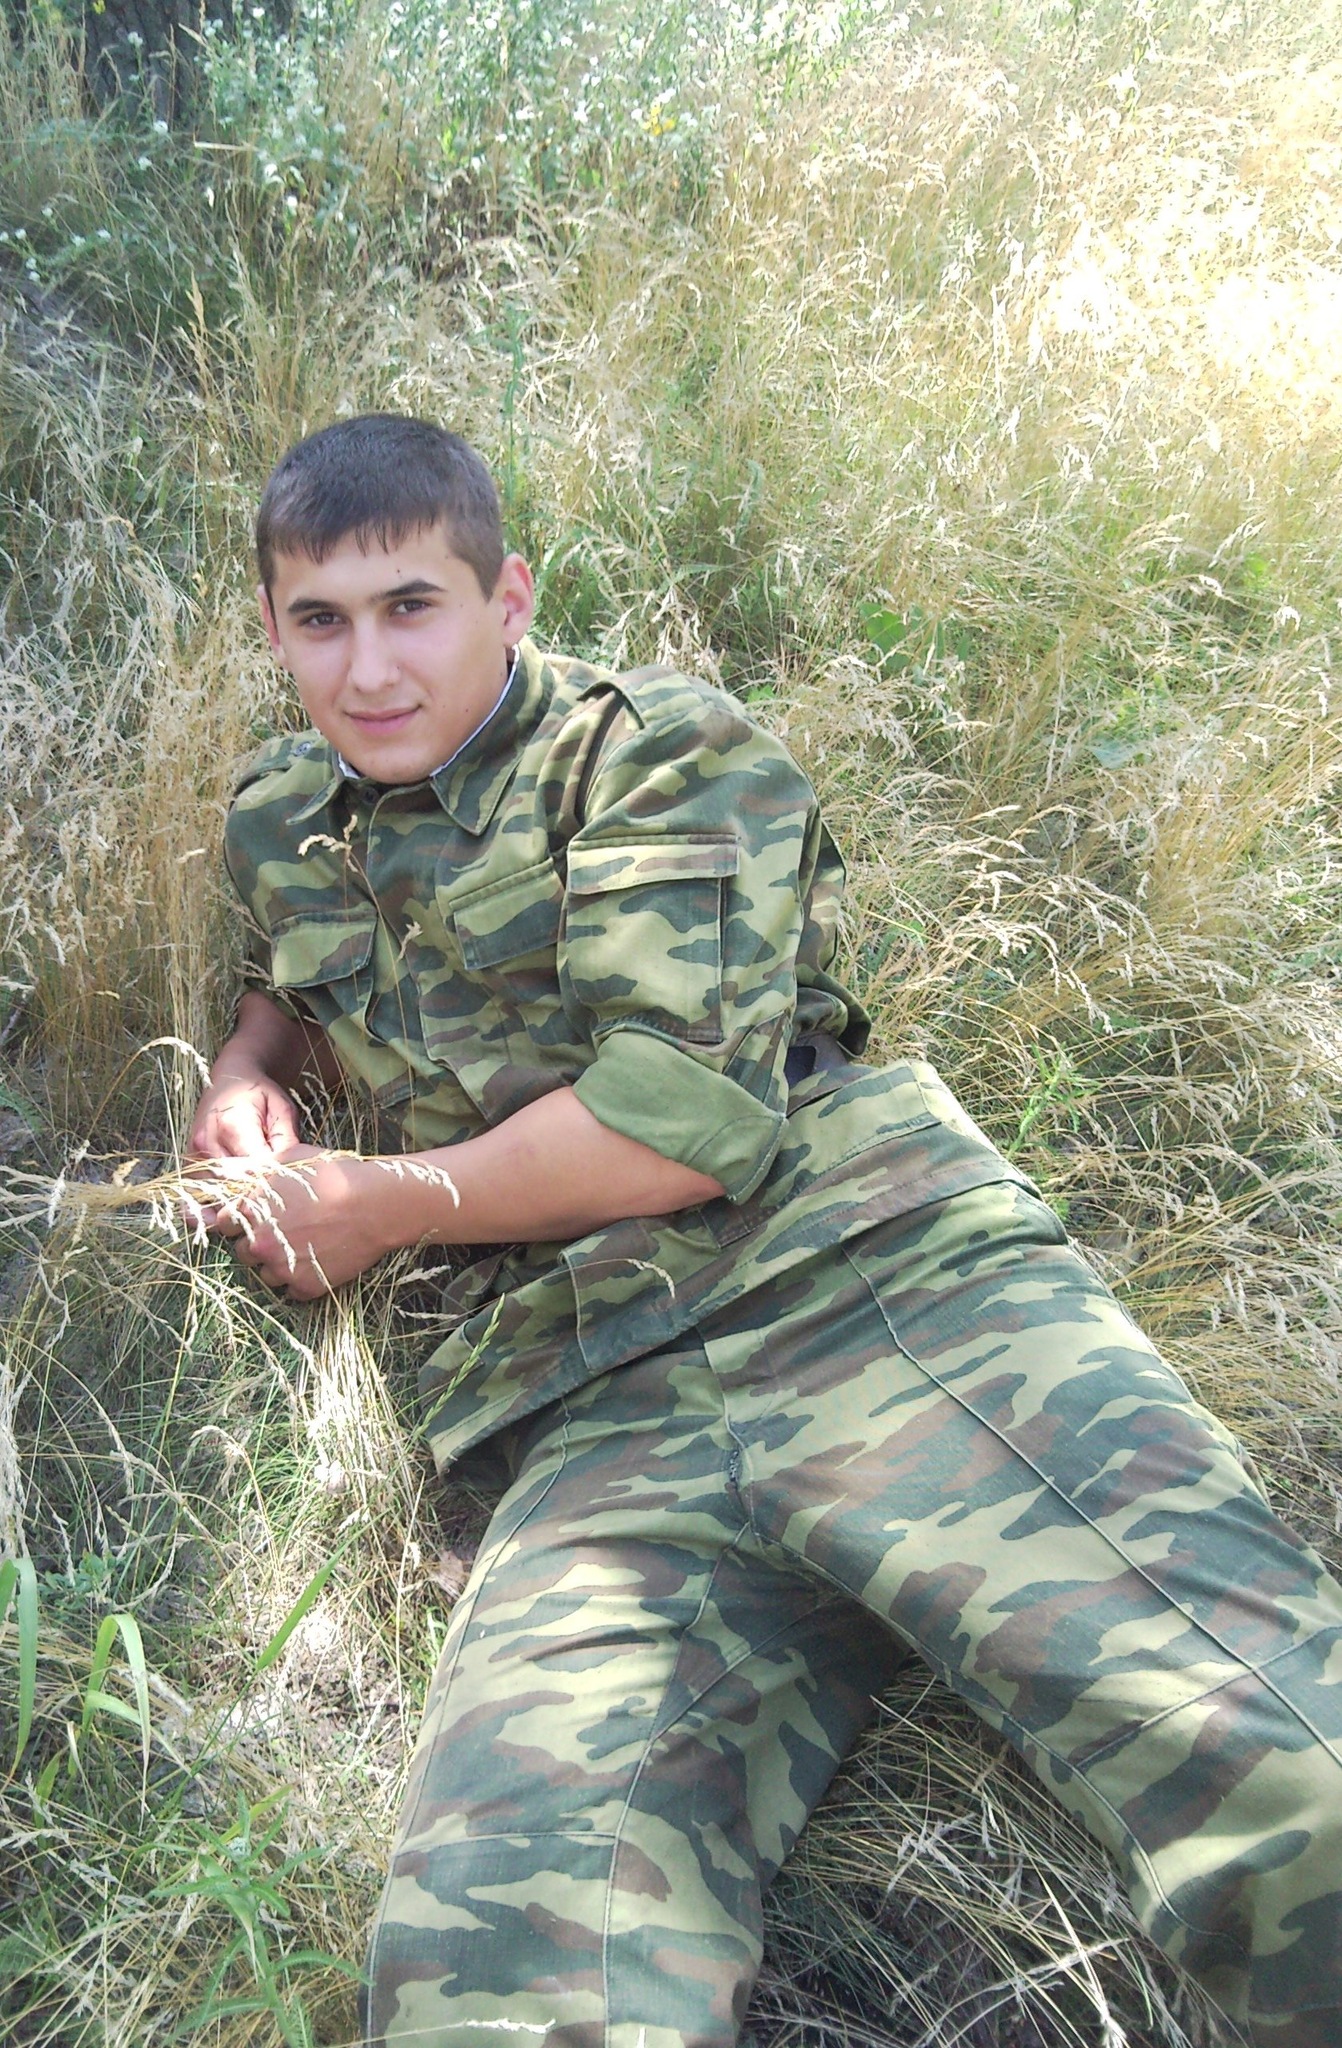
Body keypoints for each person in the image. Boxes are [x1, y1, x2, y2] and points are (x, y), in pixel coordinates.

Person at [189, 413, 1342, 2048]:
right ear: (272, 625)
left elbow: (675, 1123)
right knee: (498, 1974)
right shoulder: (280, 810)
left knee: (1278, 1774)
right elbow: (295, 971)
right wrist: (249, 1070)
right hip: (583, 1404)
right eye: (320, 619)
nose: (367, 667)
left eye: (411, 607)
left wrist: (375, 1206)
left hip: (864, 1285)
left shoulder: (652, 752)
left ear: (507, 597)